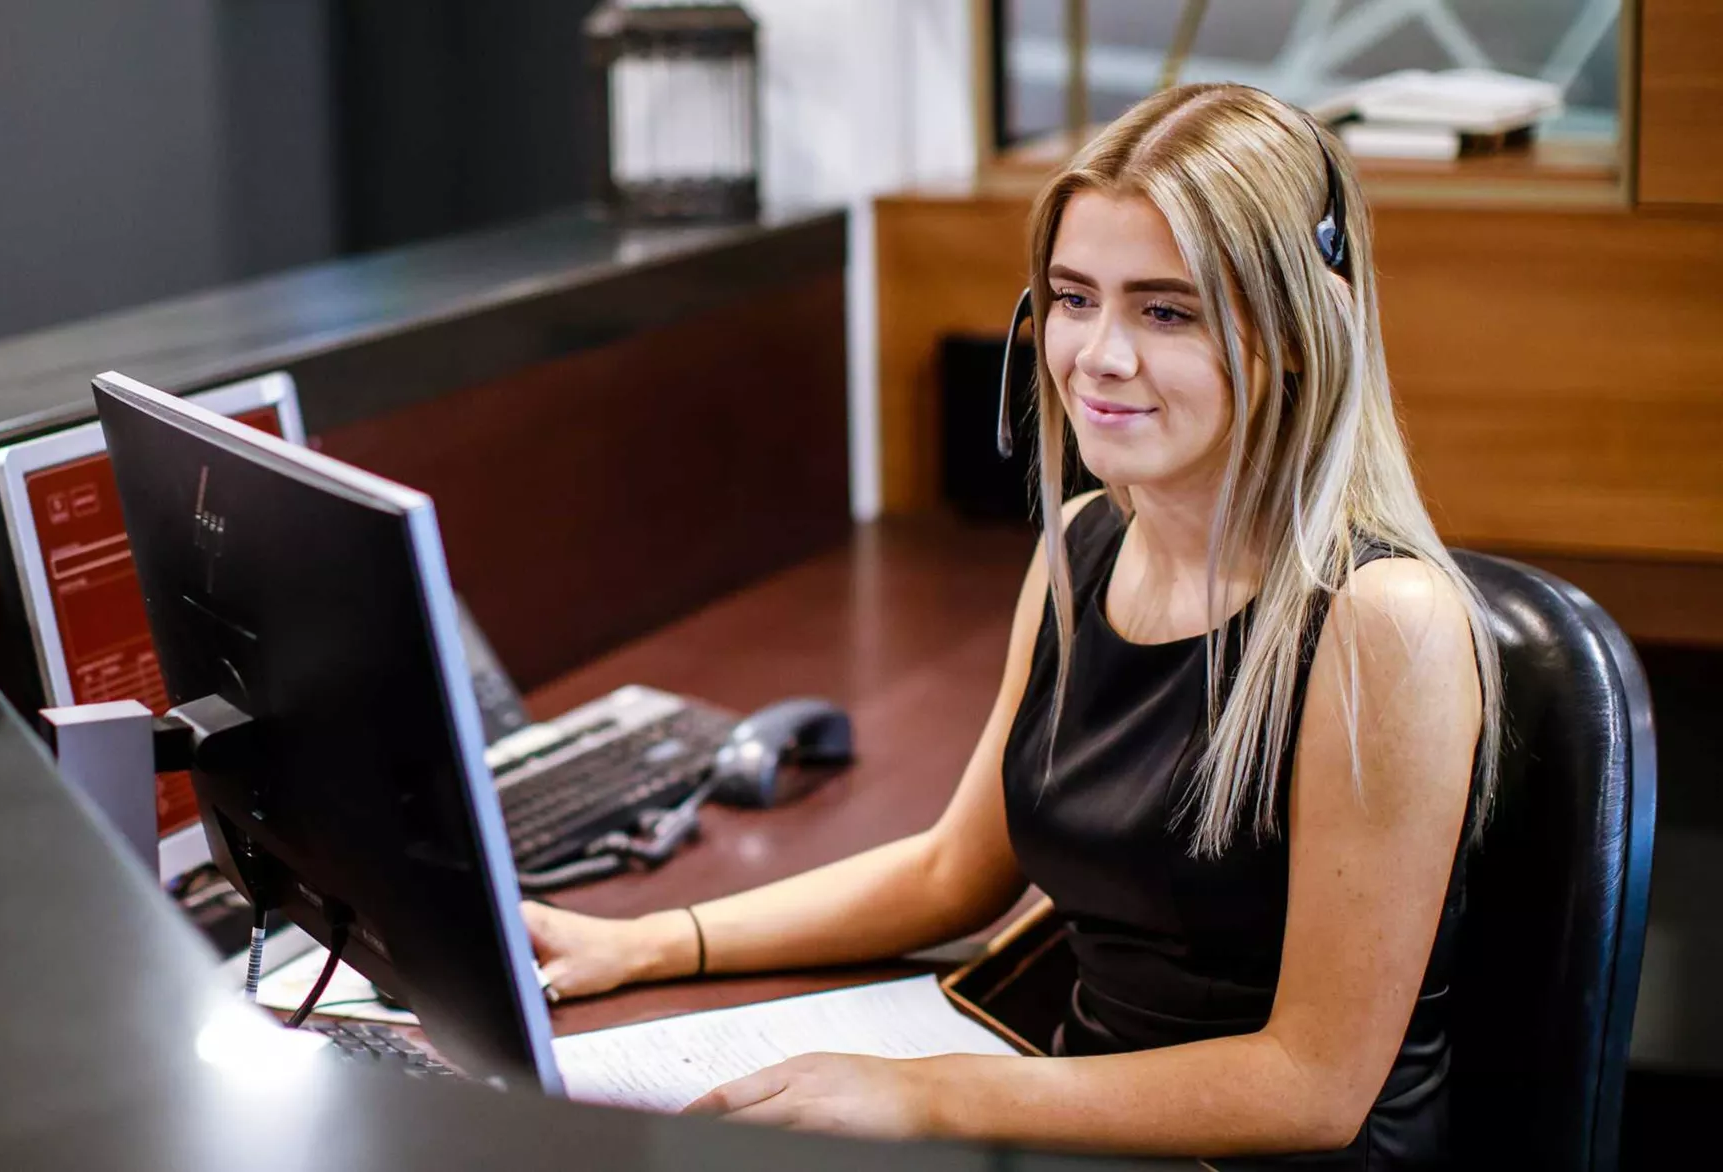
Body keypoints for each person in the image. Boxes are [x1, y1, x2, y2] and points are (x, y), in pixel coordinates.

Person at [523, 83, 1501, 1168]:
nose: (1098, 355)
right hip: (1081, 1122)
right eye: (1075, 298)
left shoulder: (1381, 626)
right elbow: (955, 871)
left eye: (1165, 310)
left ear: (1300, 334)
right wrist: (644, 942)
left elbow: (1312, 1087)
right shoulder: (1083, 547)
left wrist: (931, 1099)